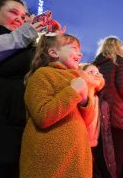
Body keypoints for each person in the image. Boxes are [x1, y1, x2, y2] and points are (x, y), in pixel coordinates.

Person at [0, 0, 47, 178]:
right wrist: (24, 35)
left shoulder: (24, 43)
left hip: (18, 136)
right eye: (13, 12)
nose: (19, 19)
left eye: (23, 17)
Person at [20, 33, 97, 177]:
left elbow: (87, 121)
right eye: (73, 48)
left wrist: (85, 99)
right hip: (51, 162)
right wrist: (73, 91)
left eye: (79, 50)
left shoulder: (77, 78)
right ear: (53, 52)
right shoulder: (42, 75)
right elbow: (43, 115)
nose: (79, 54)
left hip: (76, 157)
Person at [92, 36, 123, 178]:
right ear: (119, 47)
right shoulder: (119, 61)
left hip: (99, 116)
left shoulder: (96, 64)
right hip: (117, 117)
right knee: (118, 157)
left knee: (104, 158)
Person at [79, 63, 105, 147]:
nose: (96, 75)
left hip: (95, 146)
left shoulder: (100, 101)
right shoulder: (76, 97)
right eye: (91, 72)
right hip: (79, 144)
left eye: (97, 73)